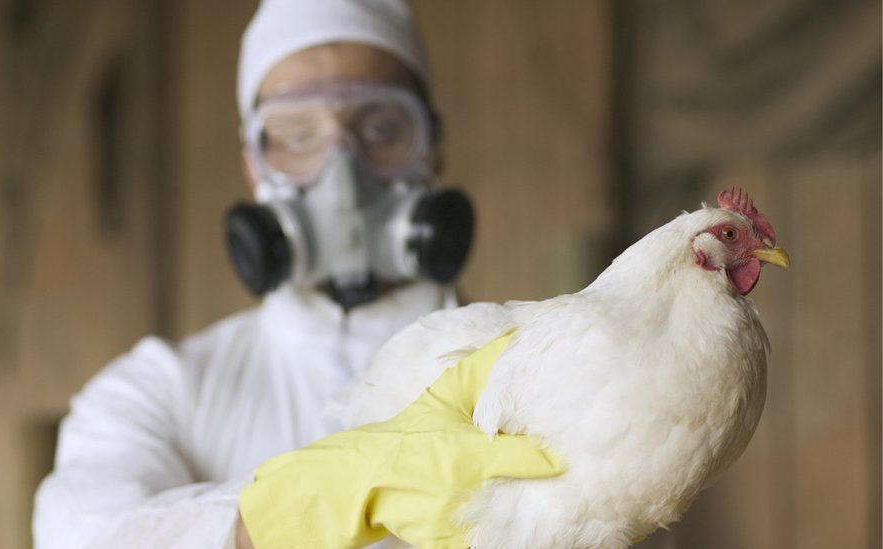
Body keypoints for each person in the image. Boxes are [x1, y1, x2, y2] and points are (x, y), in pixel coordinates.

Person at [33, 1, 558, 547]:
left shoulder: (535, 380)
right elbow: (83, 529)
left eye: (381, 127)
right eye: (296, 135)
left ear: (432, 146)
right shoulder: (157, 392)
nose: (342, 176)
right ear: (253, 165)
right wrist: (290, 509)